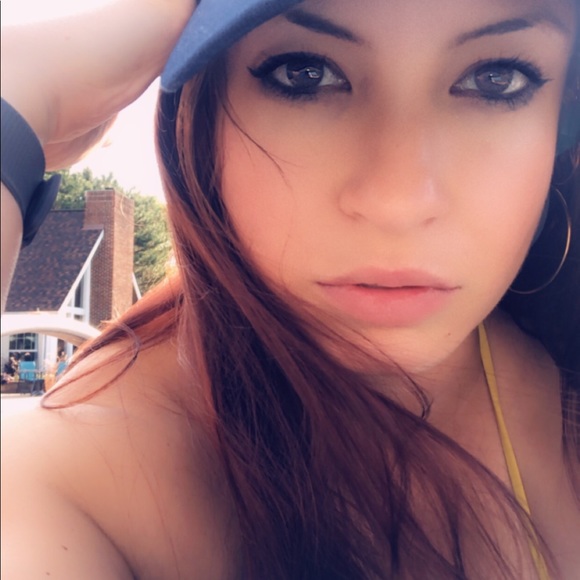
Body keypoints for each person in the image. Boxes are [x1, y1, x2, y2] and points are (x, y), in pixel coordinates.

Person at [1, 0, 579, 578]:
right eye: (305, 73)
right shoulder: (75, 489)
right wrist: (15, 92)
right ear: (202, 120)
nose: (398, 201)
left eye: (496, 78)